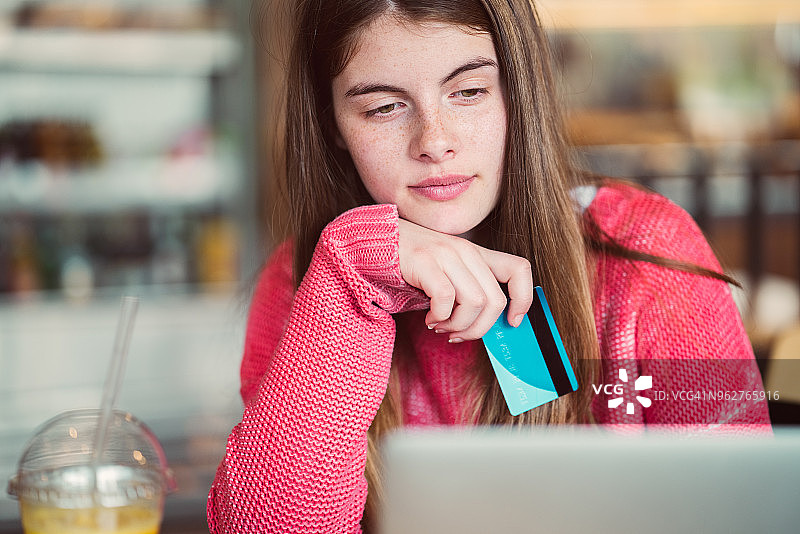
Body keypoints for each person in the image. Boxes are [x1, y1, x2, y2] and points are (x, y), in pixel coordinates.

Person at [207, 0, 771, 532]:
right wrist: (348, 283)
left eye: (470, 91)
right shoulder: (308, 278)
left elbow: (744, 514)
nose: (434, 141)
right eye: (383, 106)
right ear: (333, 125)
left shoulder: (646, 252)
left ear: (517, 94)